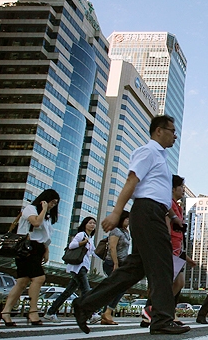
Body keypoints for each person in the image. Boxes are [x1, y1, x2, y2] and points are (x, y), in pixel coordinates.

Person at [72, 115, 190, 335]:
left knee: (133, 270)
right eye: (172, 131)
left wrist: (172, 216)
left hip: (153, 213)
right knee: (163, 266)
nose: (175, 136)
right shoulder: (148, 152)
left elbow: (156, 191)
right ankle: (162, 320)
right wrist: (117, 212)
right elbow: (132, 181)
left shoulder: (160, 157)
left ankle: (85, 304)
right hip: (147, 213)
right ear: (158, 131)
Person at [141, 175, 197, 327]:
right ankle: (154, 311)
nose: (183, 190)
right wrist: (166, 244)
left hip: (177, 249)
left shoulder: (177, 207)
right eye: (181, 187)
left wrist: (187, 258)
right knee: (168, 282)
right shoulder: (168, 204)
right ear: (172, 188)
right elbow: (167, 224)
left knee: (176, 282)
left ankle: (160, 310)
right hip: (169, 247)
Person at [0, 189, 60, 327]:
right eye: (52, 202)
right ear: (45, 200)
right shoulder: (30, 209)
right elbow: (36, 223)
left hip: (38, 249)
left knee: (22, 282)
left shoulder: (47, 217)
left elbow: (45, 236)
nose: (53, 205)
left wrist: (46, 250)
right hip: (26, 248)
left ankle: (5, 312)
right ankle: (33, 312)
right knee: (39, 278)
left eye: (55, 203)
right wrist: (43, 209)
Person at [43, 217, 100, 324]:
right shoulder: (81, 235)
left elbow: (94, 253)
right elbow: (71, 245)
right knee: (86, 291)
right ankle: (93, 314)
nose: (92, 225)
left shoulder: (90, 238)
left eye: (94, 223)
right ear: (85, 224)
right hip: (78, 267)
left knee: (67, 292)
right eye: (90, 223)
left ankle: (50, 312)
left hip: (83, 267)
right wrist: (83, 242)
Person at [99, 210, 131, 325]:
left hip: (122, 263)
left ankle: (105, 314)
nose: (128, 221)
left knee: (117, 288)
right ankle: (107, 312)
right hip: (111, 263)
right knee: (119, 287)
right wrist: (116, 264)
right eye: (127, 219)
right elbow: (112, 248)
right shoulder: (115, 231)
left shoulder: (126, 232)